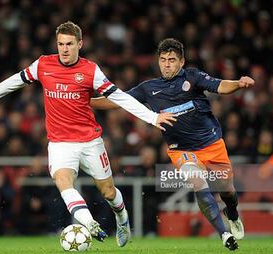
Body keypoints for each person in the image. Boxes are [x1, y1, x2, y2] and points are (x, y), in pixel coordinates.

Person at [0, 21, 176, 247]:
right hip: (60, 143)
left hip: (90, 142)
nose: (64, 49)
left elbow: (119, 97)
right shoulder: (43, 65)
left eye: (69, 44)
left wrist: (153, 117)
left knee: (108, 192)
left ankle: (122, 217)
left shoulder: (90, 70)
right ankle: (89, 223)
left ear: (80, 43)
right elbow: (15, 81)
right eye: (60, 44)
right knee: (63, 181)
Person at [91, 38, 255, 250]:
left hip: (212, 145)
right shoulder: (148, 88)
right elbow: (118, 101)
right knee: (199, 185)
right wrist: (85, 101)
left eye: (171, 60)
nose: (166, 64)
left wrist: (238, 83)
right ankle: (224, 234)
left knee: (228, 191)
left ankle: (231, 213)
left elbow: (219, 86)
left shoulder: (193, 77)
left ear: (181, 62)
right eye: (163, 60)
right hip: (182, 150)